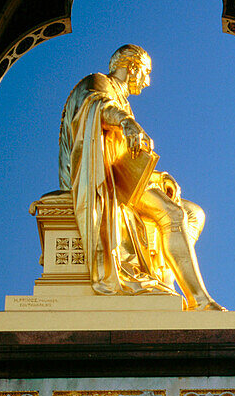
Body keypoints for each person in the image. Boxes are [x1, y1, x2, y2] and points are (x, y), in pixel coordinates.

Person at [59, 44, 222, 310]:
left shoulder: (122, 100)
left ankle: (164, 279)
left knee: (194, 214)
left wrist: (158, 178)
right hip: (99, 183)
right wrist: (126, 121)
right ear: (132, 67)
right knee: (173, 214)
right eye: (146, 73)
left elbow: (121, 159)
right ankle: (200, 301)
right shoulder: (99, 82)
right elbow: (98, 106)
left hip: (117, 180)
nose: (147, 82)